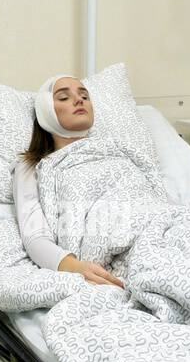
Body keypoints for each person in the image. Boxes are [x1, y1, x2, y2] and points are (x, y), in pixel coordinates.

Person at [13, 75, 124, 288]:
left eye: (84, 96)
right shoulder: (34, 168)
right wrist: (76, 267)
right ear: (45, 111)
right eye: (64, 97)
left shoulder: (119, 151)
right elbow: (35, 236)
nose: (79, 100)